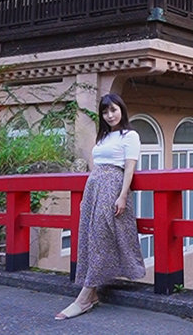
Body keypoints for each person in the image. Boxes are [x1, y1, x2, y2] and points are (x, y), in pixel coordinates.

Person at [55, 93, 146, 320]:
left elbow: (129, 167)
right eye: (105, 112)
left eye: (113, 110)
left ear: (121, 109)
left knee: (101, 236)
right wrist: (87, 198)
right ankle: (92, 293)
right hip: (94, 186)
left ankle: (84, 297)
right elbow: (96, 166)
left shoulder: (130, 135)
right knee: (89, 237)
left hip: (112, 186)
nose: (110, 115)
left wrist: (123, 195)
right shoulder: (104, 137)